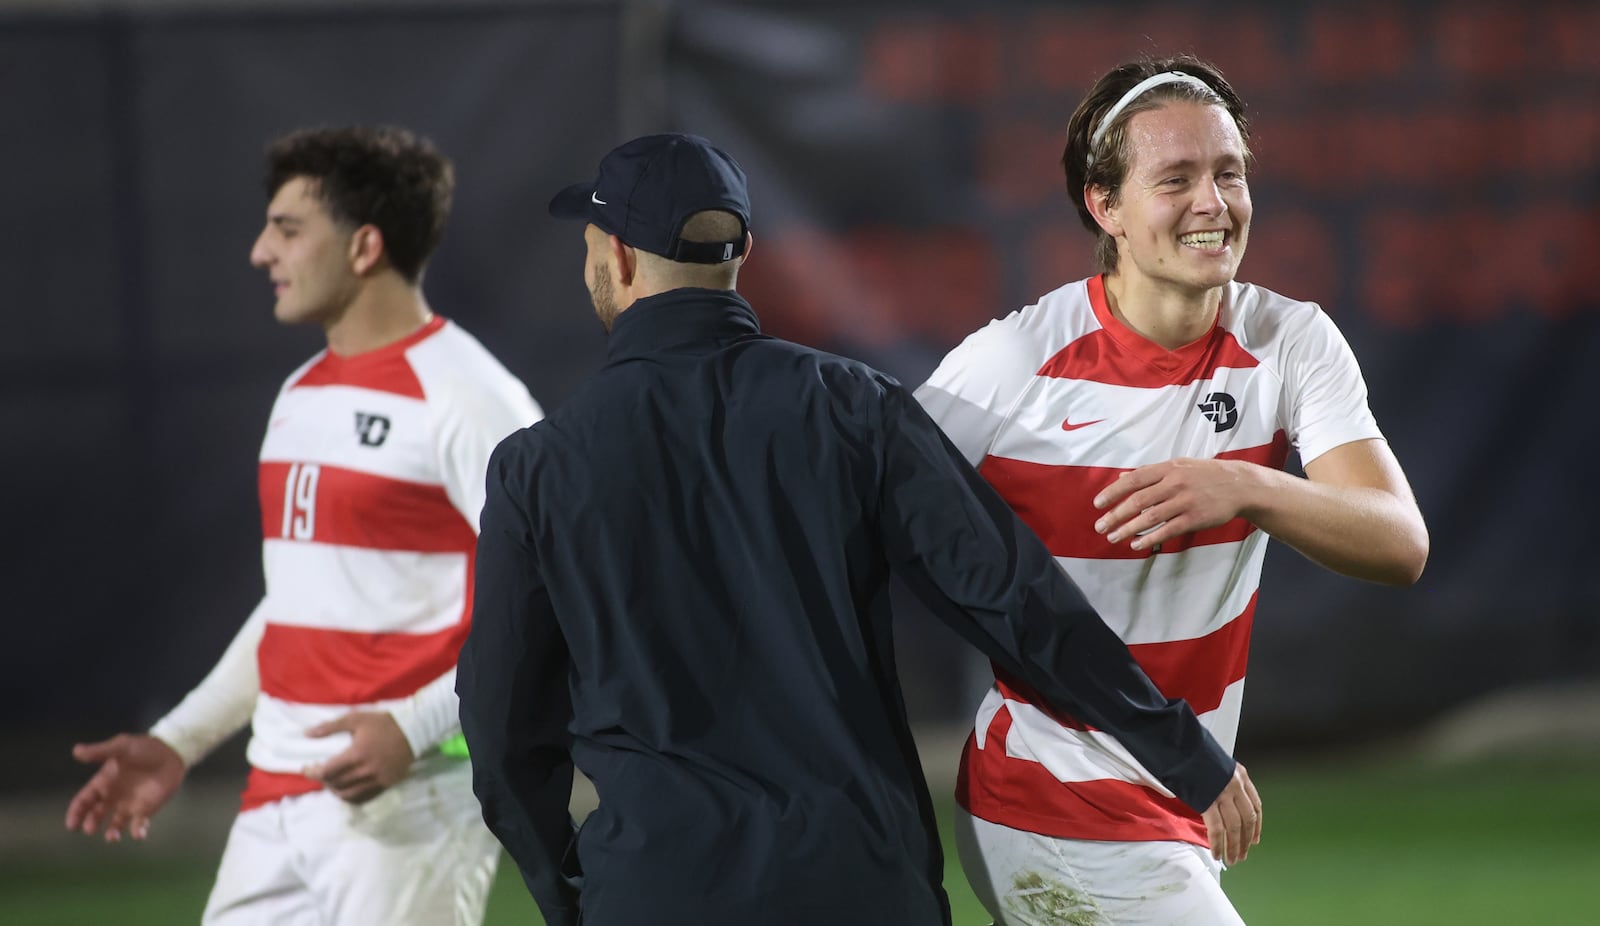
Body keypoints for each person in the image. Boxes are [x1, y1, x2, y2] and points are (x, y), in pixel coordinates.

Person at [456, 132, 1262, 926]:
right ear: (738, 255)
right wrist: (1182, 752)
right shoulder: (853, 407)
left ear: (621, 260)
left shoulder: (538, 468)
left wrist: (573, 895)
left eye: (593, 244)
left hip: (656, 889)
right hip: (859, 885)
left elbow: (501, 735)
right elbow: (1020, 606)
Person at [915, 55, 1430, 925]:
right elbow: (863, 518)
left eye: (1229, 173)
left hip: (1177, 802)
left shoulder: (1290, 340)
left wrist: (1244, 486)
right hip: (1048, 797)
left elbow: (1398, 541)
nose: (1212, 203)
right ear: (1104, 205)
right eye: (1177, 179)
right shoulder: (1009, 365)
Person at [65, 125, 543, 925]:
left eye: (287, 229)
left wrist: (416, 728)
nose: (260, 252)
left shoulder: (470, 398)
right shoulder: (301, 396)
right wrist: (178, 741)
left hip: (407, 806)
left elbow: (551, 597)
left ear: (364, 247)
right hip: (274, 797)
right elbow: (294, 608)